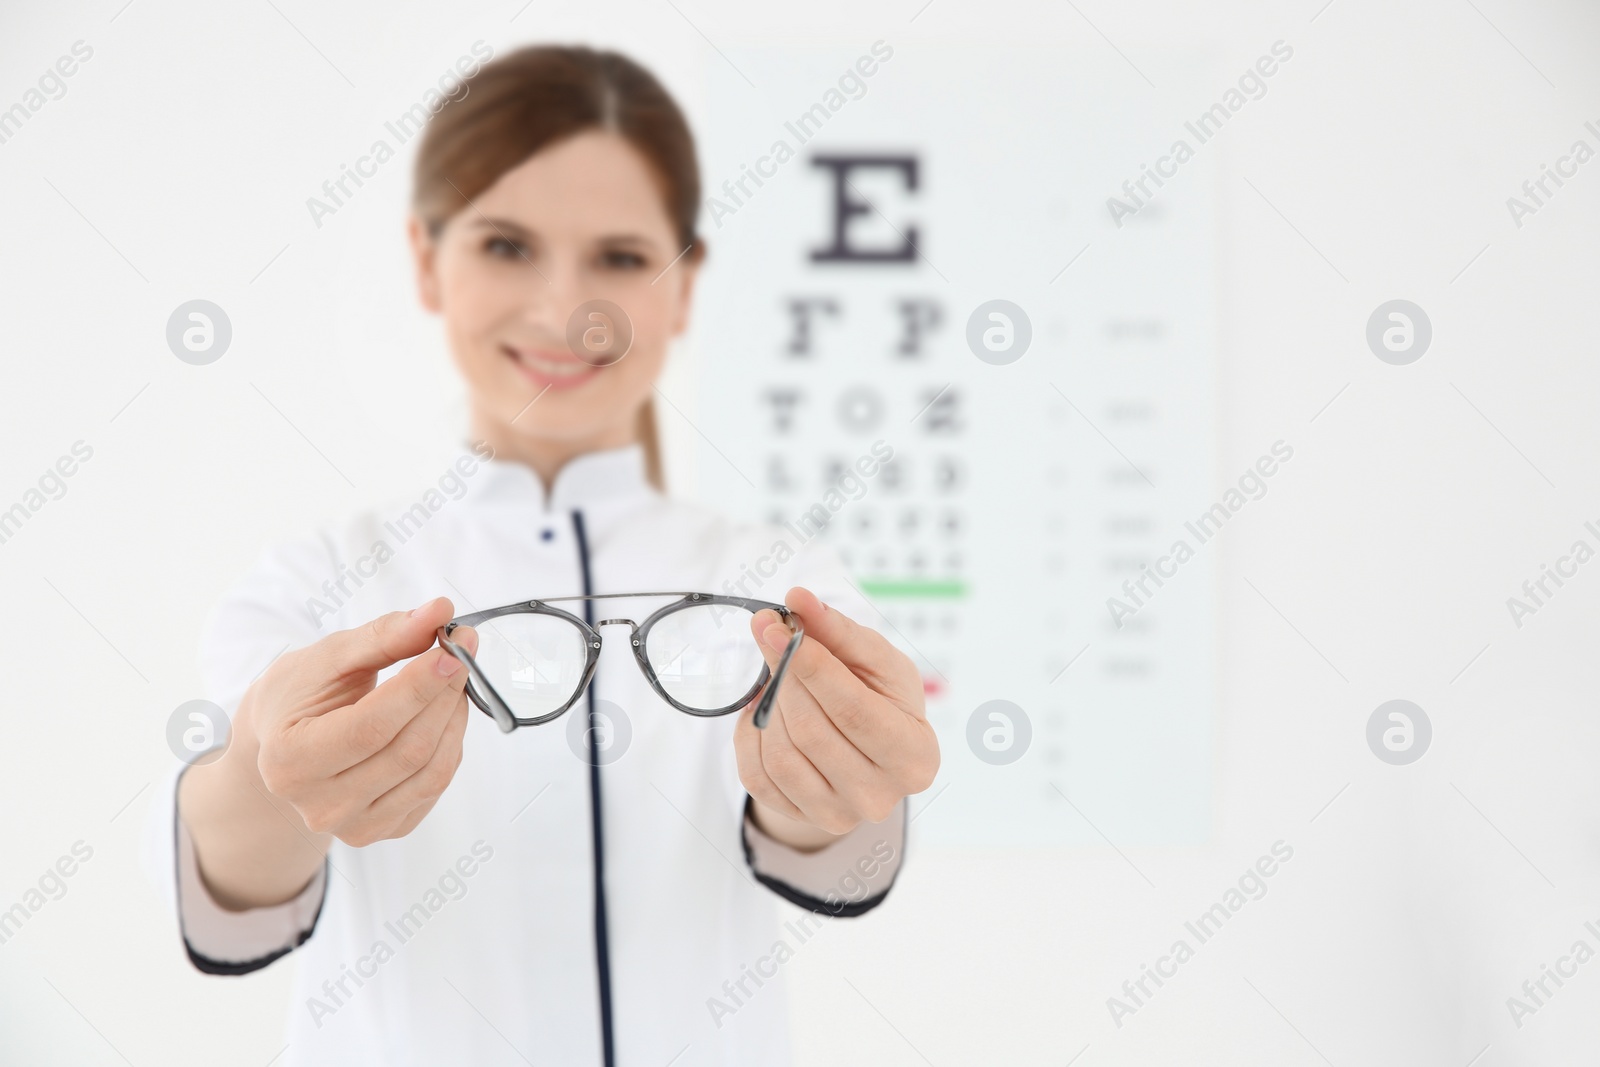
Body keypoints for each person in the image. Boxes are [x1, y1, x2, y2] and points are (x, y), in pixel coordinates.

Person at [144, 43, 939, 1067]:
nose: (571, 308)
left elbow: (833, 851)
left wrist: (826, 785)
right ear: (428, 260)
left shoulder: (789, 582)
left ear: (684, 286)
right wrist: (269, 768)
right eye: (507, 245)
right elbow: (235, 885)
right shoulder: (312, 586)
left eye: (619, 256)